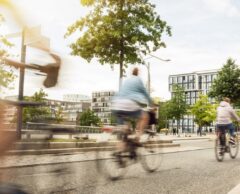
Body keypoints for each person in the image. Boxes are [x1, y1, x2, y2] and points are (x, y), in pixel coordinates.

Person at [111, 67, 152, 149]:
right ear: (137, 73)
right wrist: (151, 103)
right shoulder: (138, 80)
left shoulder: (127, 81)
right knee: (144, 117)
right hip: (129, 103)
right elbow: (144, 93)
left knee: (124, 129)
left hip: (116, 104)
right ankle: (137, 139)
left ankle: (119, 154)